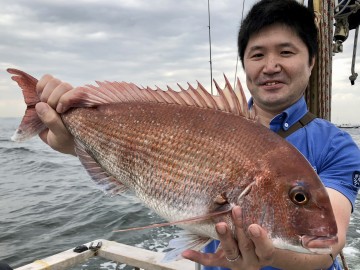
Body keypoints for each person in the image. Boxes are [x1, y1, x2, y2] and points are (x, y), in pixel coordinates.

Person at [33, 0, 360, 269]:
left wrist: (270, 254)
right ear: (244, 63)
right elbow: (135, 156)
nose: (270, 65)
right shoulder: (211, 119)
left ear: (312, 61)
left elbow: (327, 248)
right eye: (257, 54)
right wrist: (73, 141)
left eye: (286, 52)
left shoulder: (337, 146)